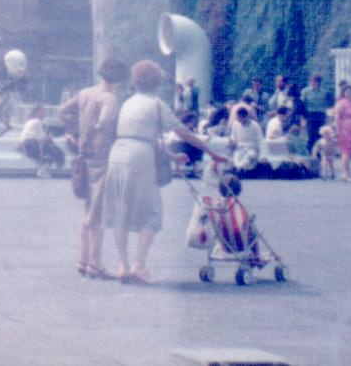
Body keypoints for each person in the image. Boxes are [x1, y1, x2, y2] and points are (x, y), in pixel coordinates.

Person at [100, 60, 214, 285]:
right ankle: (139, 265)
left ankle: (122, 265)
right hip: (140, 156)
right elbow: (183, 133)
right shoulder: (156, 104)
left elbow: (143, 134)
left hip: (118, 153)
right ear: (157, 82)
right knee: (152, 210)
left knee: (120, 209)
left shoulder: (128, 102)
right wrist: (210, 151)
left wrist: (171, 156)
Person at [58, 57, 129, 281]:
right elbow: (106, 122)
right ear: (118, 78)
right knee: (97, 210)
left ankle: (83, 258)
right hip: (102, 155)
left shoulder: (85, 93)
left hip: (84, 154)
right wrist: (99, 133)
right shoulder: (110, 98)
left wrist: (76, 132)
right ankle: (95, 263)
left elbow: (63, 111)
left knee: (89, 206)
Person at [18, 105, 64, 178]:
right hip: (31, 144)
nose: (44, 114)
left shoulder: (30, 121)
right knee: (55, 151)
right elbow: (41, 138)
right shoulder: (37, 122)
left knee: (52, 150)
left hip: (26, 144)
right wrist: (50, 138)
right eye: (42, 112)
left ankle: (44, 169)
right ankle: (43, 170)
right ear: (37, 113)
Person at [332, 83, 351, 182]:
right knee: (346, 151)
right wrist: (337, 130)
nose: (350, 93)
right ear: (343, 93)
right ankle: (345, 173)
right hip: (345, 128)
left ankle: (348, 173)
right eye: (348, 91)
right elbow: (336, 118)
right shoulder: (341, 103)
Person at [228, 103, 264, 172]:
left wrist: (263, 156)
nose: (240, 121)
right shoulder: (236, 123)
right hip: (239, 148)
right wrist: (232, 140)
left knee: (249, 157)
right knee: (236, 159)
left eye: (241, 118)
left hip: (252, 148)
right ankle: (238, 168)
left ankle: (239, 168)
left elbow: (261, 140)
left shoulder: (255, 125)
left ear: (246, 116)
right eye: (238, 118)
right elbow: (233, 136)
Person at [300, 73, 332, 144]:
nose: (316, 83)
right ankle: (311, 151)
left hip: (320, 114)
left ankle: (319, 151)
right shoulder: (305, 91)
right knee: (311, 134)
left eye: (318, 82)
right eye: (314, 81)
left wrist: (326, 116)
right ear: (310, 81)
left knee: (320, 133)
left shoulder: (324, 92)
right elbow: (302, 106)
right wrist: (302, 118)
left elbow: (325, 104)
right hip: (310, 114)